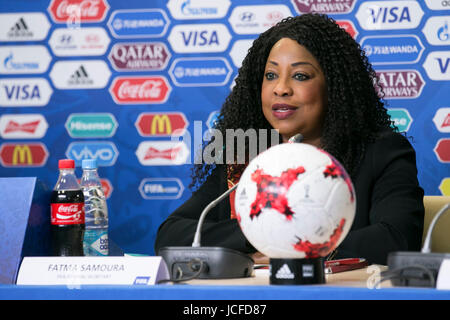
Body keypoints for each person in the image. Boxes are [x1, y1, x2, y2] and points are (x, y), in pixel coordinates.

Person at [154, 13, 424, 265]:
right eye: (270, 76)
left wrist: (294, 246)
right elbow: (171, 234)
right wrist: (258, 235)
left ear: (334, 86)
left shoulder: (381, 151)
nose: (281, 88)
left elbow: (397, 240)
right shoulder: (248, 154)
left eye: (300, 76)